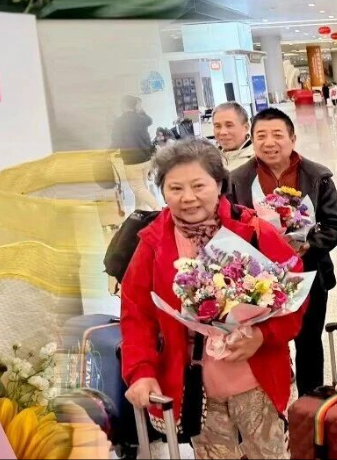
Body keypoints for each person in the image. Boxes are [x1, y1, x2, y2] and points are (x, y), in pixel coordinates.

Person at [121, 139, 305, 459]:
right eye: (175, 188)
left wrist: (262, 335)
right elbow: (136, 313)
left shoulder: (253, 231)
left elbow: (295, 297)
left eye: (198, 185)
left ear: (218, 184)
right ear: (162, 191)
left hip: (257, 379)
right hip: (197, 386)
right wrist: (141, 371)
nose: (188, 197)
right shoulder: (154, 243)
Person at [230, 107, 337, 396]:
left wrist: (309, 245)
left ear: (292, 138)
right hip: (257, 280)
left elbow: (333, 224)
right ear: (252, 140)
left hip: (309, 274)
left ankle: (309, 404)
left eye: (277, 135)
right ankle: (271, 404)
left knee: (309, 341)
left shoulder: (317, 177)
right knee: (264, 341)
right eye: (261, 136)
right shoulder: (237, 180)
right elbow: (229, 226)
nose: (269, 142)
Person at [111, 95, 158, 211]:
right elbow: (150, 120)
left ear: (123, 105)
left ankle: (158, 208)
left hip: (132, 161)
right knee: (143, 186)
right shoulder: (142, 119)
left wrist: (106, 152)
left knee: (138, 188)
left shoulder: (120, 121)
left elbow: (116, 141)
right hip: (146, 158)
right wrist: (141, 110)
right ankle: (141, 211)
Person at [212, 102, 254, 170]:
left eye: (229, 125)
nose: (222, 132)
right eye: (217, 126)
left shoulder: (260, 161)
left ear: (246, 127)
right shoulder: (209, 160)